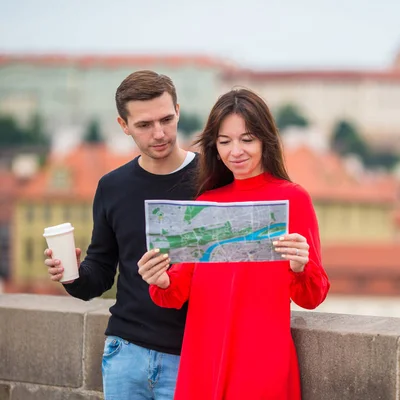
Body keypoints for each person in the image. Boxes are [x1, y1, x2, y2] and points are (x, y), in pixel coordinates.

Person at [137, 88, 330, 399]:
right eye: (224, 141)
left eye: (247, 139)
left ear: (266, 140)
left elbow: (313, 296)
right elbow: (175, 294)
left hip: (262, 363)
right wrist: (160, 279)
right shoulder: (206, 203)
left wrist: (299, 266)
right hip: (203, 360)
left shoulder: (293, 198)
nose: (235, 151)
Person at [44, 70, 199, 400]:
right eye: (144, 125)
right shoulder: (112, 186)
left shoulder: (212, 179)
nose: (159, 133)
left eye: (166, 119)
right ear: (123, 125)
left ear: (178, 111)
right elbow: (99, 275)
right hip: (125, 353)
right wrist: (71, 275)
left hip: (193, 354)